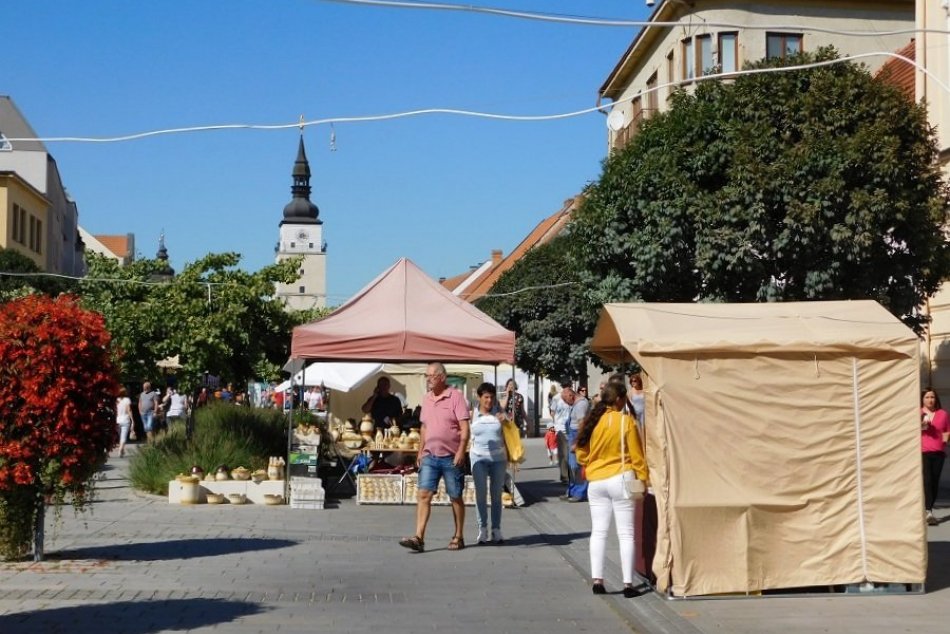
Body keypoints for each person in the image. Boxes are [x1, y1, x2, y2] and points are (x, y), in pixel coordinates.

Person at [575, 381, 649, 598]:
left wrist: (591, 461)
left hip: (596, 481)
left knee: (598, 531)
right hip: (621, 478)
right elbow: (637, 456)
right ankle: (627, 584)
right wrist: (643, 479)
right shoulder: (626, 422)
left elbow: (580, 453)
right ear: (620, 399)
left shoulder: (593, 421)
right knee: (626, 534)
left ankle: (597, 580)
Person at [400, 362, 471, 553]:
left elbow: (465, 428)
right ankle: (419, 538)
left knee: (455, 496)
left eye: (431, 376)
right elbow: (424, 427)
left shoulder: (456, 397)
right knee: (423, 494)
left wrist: (461, 451)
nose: (428, 379)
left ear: (442, 377)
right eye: (426, 376)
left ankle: (459, 536)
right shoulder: (427, 399)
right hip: (430, 455)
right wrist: (420, 452)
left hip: (451, 456)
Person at [469, 382, 508, 544]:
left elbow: (511, 434)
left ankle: (496, 529)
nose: (489, 400)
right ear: (479, 397)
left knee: (496, 494)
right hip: (478, 457)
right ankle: (482, 529)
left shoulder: (499, 413)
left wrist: (506, 421)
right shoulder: (473, 414)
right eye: (486, 397)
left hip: (498, 459)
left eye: (492, 397)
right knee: (480, 494)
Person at [921, 386, 948, 526]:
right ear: (922, 399)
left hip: (938, 453)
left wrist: (945, 441)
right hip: (922, 452)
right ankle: (927, 510)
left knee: (934, 481)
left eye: (932, 397)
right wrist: (920, 426)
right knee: (927, 480)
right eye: (927, 397)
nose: (930, 400)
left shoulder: (943, 414)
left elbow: (947, 431)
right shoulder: (917, 413)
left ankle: (929, 509)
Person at [564, 386, 591, 502]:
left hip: (577, 435)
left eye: (566, 400)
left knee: (578, 465)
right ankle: (572, 490)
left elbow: (582, 425)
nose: (567, 403)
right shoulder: (576, 403)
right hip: (572, 434)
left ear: (571, 395)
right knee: (572, 465)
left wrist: (577, 442)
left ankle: (580, 493)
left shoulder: (580, 405)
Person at [552, 381, 575, 484]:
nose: (567, 387)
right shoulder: (556, 398)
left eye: (568, 386)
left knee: (570, 453)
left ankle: (570, 474)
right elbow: (552, 412)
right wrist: (556, 424)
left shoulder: (572, 396)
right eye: (565, 386)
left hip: (571, 427)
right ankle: (564, 476)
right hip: (560, 428)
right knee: (564, 454)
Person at [116, 387, 133, 458]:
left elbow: (115, 411)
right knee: (123, 437)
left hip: (118, 420)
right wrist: (132, 420)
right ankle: (120, 450)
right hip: (125, 420)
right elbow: (129, 410)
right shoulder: (127, 400)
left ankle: (122, 450)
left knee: (120, 436)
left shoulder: (116, 400)